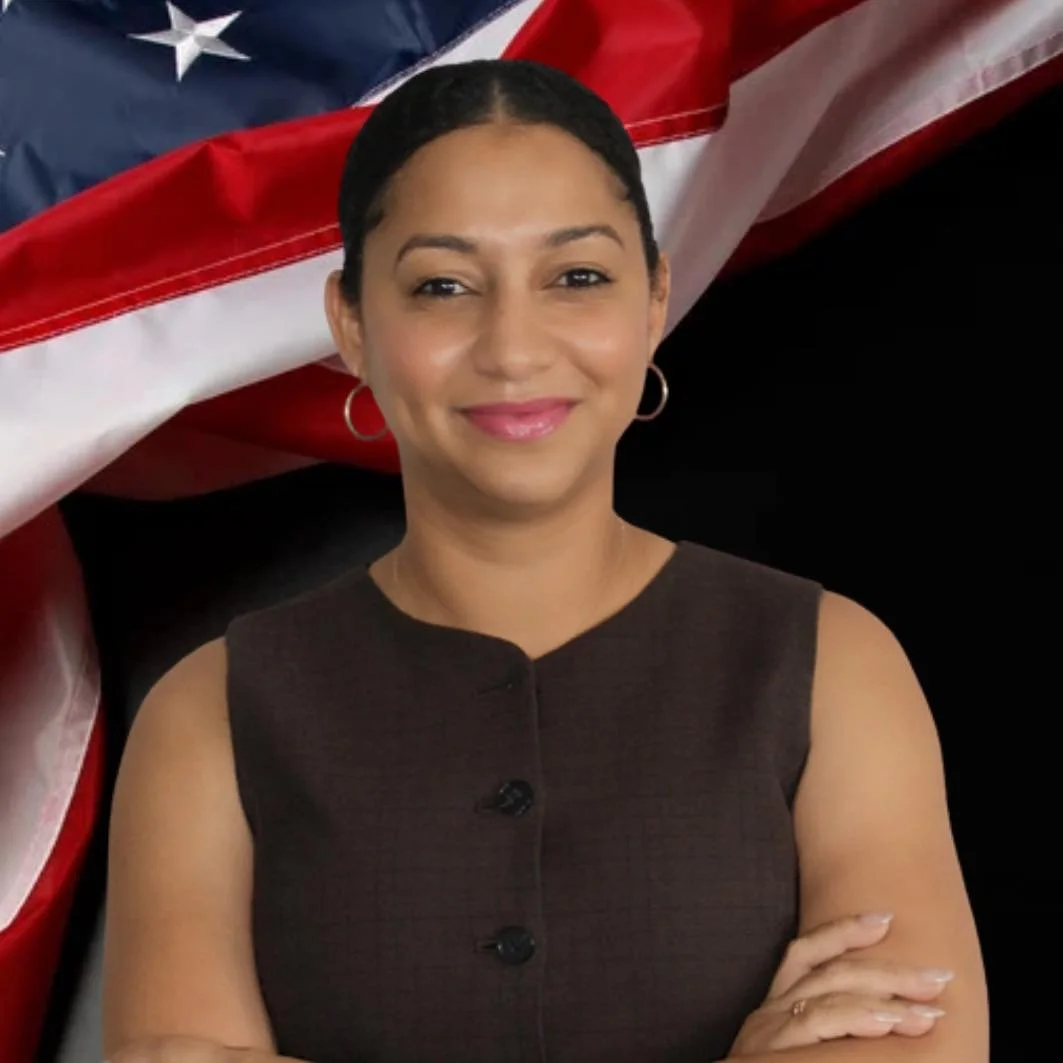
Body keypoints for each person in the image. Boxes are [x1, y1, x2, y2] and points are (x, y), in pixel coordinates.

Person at [101, 60, 988, 1063]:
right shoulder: (215, 709)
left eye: (576, 278)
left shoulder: (829, 662)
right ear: (351, 322)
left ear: (653, 297)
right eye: (442, 285)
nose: (513, 348)